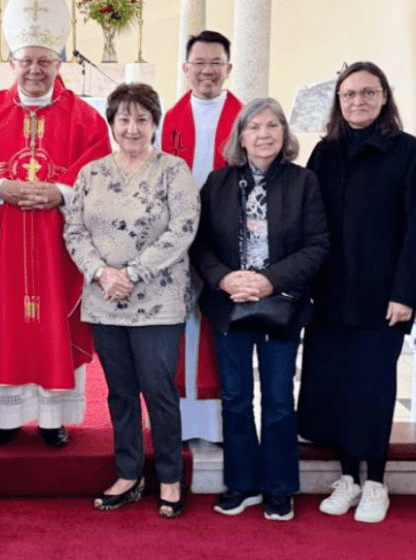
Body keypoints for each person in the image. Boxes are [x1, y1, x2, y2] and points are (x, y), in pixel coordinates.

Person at [0, 0, 111, 448]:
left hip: (59, 247)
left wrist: (60, 192)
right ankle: (4, 418)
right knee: (8, 325)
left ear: (60, 62)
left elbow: (98, 171)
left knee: (54, 325)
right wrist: (0, 189)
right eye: (27, 61)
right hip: (4, 246)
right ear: (12, 63)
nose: (36, 70)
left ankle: (51, 418)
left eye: (45, 61)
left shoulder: (86, 118)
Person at [297, 62, 416, 524]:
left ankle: (376, 482)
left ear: (383, 98)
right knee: (335, 388)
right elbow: (308, 224)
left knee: (373, 390)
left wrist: (406, 294)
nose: (358, 101)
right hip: (329, 296)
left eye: (368, 93)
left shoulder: (407, 152)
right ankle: (347, 479)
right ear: (339, 102)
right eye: (349, 94)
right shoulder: (325, 153)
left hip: (382, 299)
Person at [64, 83, 199, 518]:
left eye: (142, 119)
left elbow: (183, 229)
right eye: (124, 118)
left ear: (155, 124)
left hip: (157, 300)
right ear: (112, 124)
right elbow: (73, 231)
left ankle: (171, 477)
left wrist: (134, 272)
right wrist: (103, 273)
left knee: (158, 389)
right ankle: (128, 472)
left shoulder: (173, 171)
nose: (133, 127)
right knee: (120, 392)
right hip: (104, 298)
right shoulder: (91, 173)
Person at [191, 98, 329, 522]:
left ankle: (279, 487)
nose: (264, 134)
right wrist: (225, 279)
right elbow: (200, 245)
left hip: (281, 304)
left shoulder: (303, 182)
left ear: (285, 134)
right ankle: (242, 483)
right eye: (254, 127)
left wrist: (270, 280)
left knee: (278, 399)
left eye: (273, 126)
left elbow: (318, 244)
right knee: (235, 398)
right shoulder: (217, 182)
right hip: (229, 304)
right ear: (241, 136)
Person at [161, 30, 243, 443]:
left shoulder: (246, 118)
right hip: (176, 238)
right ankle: (178, 418)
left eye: (216, 63)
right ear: (186, 68)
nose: (207, 71)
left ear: (228, 68)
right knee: (179, 322)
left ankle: (212, 422)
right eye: (200, 63)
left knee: (215, 326)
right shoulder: (168, 119)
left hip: (226, 242)